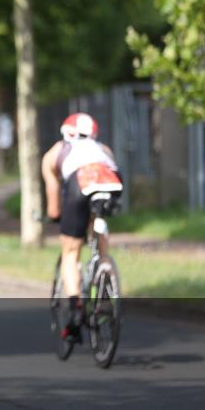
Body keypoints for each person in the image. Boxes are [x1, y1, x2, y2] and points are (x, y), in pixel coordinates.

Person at [41, 112, 123, 340]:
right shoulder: (103, 149)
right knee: (98, 223)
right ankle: (104, 274)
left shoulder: (55, 152)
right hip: (111, 181)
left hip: (79, 183)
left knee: (70, 251)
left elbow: (53, 205)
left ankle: (75, 307)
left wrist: (56, 217)